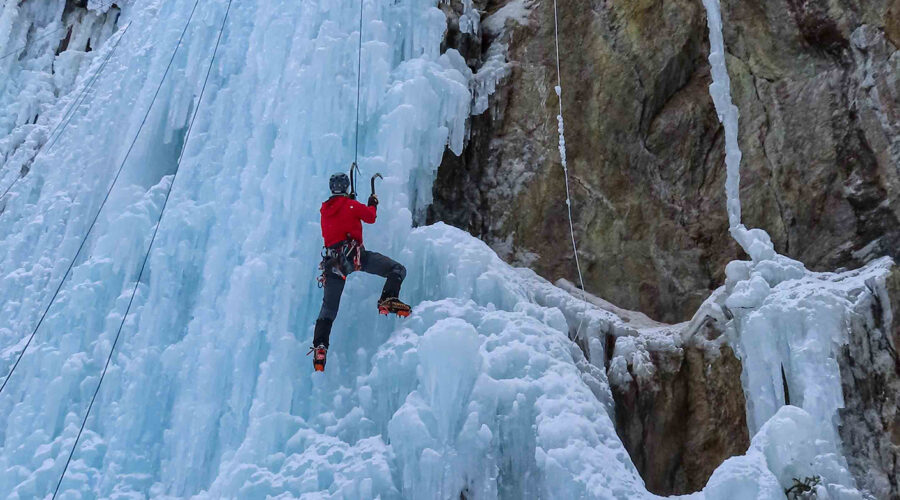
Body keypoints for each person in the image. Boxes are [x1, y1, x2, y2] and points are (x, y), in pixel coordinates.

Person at [310, 172, 411, 372]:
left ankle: (320, 346)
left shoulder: (324, 210)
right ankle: (388, 299)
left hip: (334, 263)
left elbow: (339, 219)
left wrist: (351, 202)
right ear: (346, 187)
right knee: (397, 269)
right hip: (354, 256)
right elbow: (370, 217)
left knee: (329, 308)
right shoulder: (351, 205)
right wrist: (372, 202)